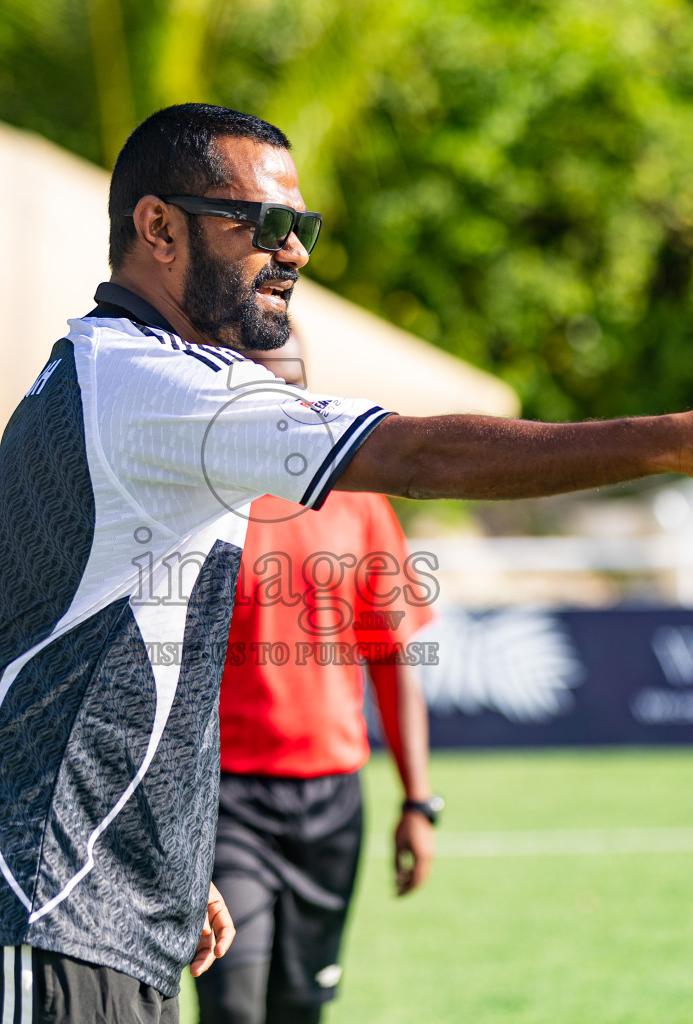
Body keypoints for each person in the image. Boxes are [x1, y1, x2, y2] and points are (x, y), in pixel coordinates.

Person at [0, 102, 693, 1024]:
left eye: (301, 222)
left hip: (85, 899)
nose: (291, 248)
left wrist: (165, 855)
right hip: (18, 896)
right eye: (257, 221)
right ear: (159, 229)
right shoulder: (145, 382)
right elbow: (422, 456)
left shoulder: (136, 378)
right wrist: (674, 441)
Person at [196, 334, 437, 1024]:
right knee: (234, 1005)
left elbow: (393, 659)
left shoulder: (359, 502)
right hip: (225, 798)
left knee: (300, 1009)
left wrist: (419, 802)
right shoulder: (198, 500)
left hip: (333, 803)